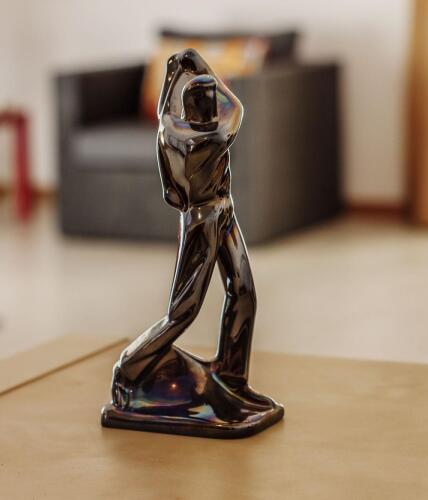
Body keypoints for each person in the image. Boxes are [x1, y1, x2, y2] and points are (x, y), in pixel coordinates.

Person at [103, 49, 282, 437]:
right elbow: (235, 105)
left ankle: (232, 378)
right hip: (203, 220)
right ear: (206, 110)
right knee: (183, 310)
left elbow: (163, 111)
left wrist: (172, 75)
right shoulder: (213, 135)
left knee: (243, 291)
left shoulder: (170, 131)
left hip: (219, 211)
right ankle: (131, 365)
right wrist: (197, 65)